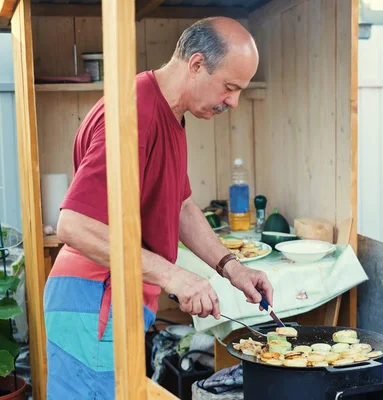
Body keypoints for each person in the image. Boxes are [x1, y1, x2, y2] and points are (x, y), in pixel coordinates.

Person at [43, 17, 274, 399]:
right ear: (197, 64)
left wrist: (232, 267)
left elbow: (181, 205)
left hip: (117, 296)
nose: (233, 102)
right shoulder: (135, 114)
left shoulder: (170, 114)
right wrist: (174, 276)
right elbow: (73, 225)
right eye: (230, 88)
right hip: (93, 300)